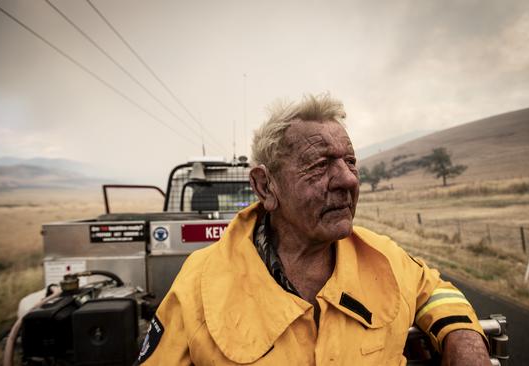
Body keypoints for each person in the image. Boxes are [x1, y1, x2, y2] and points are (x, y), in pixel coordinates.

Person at [138, 94, 491, 365]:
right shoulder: (199, 284)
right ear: (265, 187)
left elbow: (435, 292)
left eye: (350, 161)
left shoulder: (384, 257)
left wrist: (463, 337)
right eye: (321, 164)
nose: (349, 180)